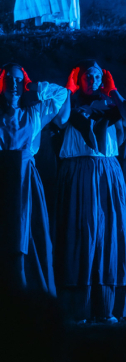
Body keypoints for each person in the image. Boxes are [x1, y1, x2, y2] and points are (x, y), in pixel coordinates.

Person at [54, 61, 126, 322]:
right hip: (78, 169)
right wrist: (69, 91)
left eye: (96, 76)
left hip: (106, 171)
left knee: (107, 233)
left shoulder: (110, 104)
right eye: (87, 76)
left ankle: (106, 306)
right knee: (80, 231)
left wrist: (113, 90)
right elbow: (59, 120)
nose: (92, 80)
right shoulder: (68, 104)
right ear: (79, 79)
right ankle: (77, 306)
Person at [0, 63, 69, 294]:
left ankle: (26, 287)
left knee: (27, 230)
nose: (14, 85)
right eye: (9, 79)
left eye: (18, 80)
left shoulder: (35, 112)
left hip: (24, 179)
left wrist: (31, 85)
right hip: (3, 178)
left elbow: (61, 93)